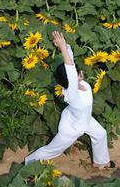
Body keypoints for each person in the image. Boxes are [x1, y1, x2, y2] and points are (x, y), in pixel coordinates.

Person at [25, 32, 112, 169]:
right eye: (77, 72)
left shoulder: (81, 84)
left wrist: (64, 46)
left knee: (101, 134)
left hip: (85, 120)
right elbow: (71, 71)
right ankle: (29, 162)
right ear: (78, 75)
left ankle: (101, 162)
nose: (80, 72)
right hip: (71, 129)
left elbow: (70, 64)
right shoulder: (72, 93)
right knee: (53, 150)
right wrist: (63, 49)